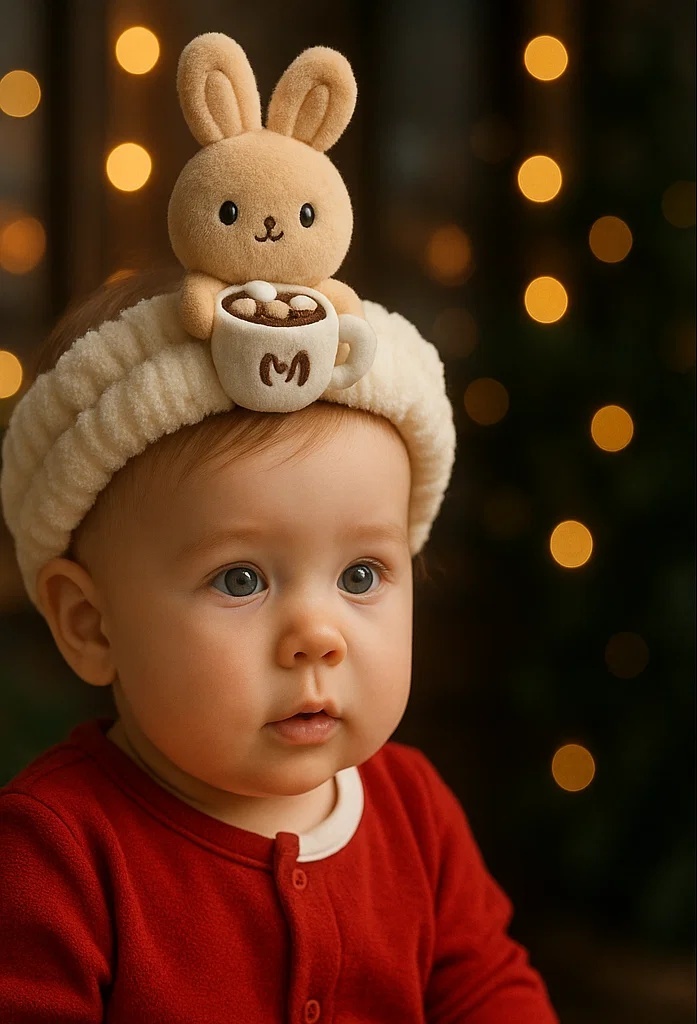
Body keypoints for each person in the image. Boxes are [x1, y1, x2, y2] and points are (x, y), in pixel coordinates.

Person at [0, 30, 558, 1024]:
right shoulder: (56, 854)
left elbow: (486, 989)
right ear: (90, 625)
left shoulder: (412, 811)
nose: (318, 634)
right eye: (241, 579)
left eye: (361, 575)